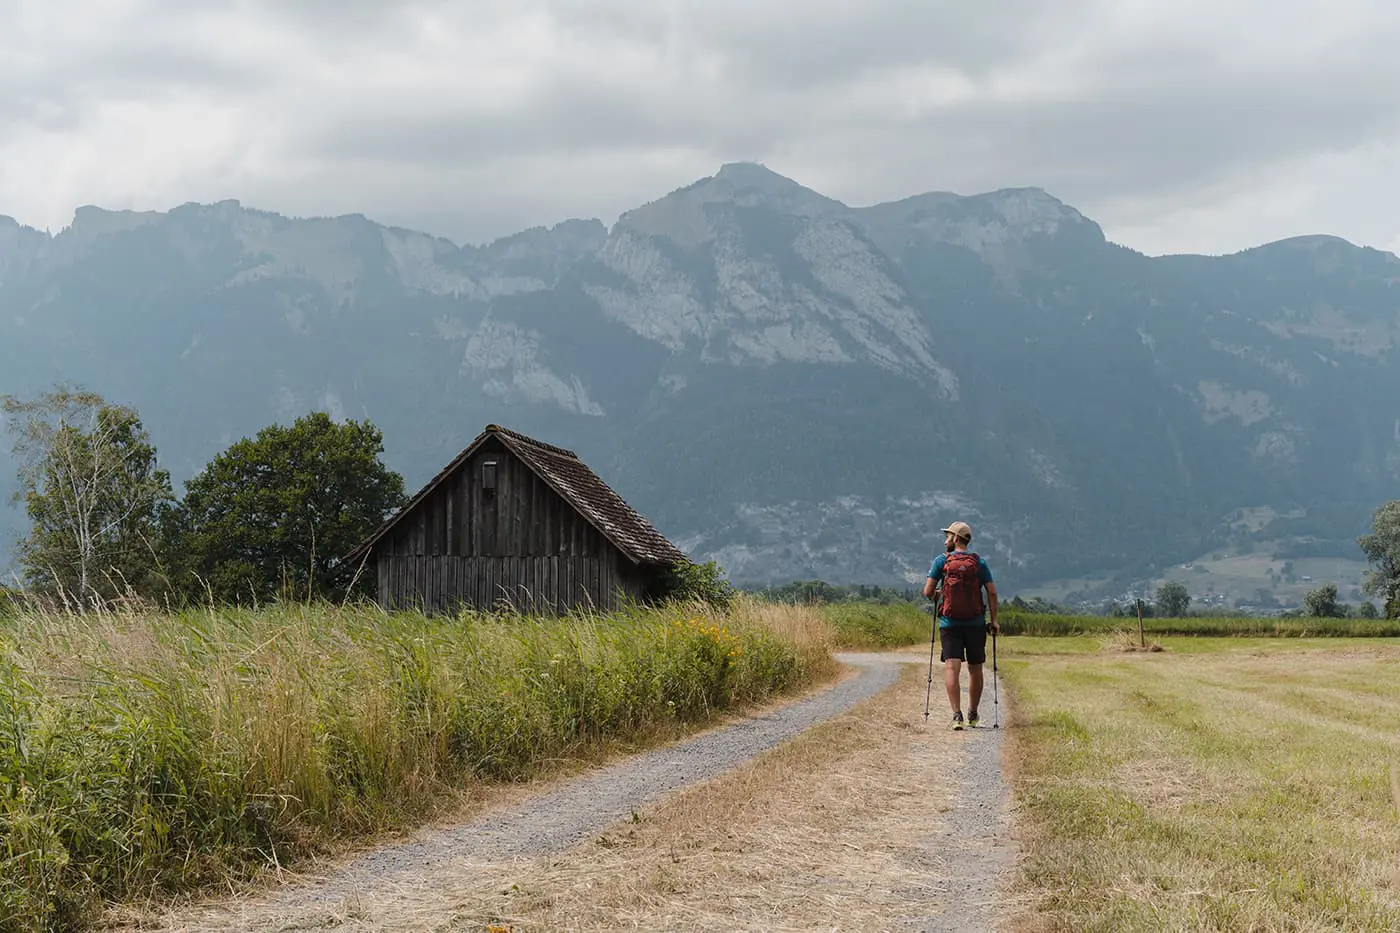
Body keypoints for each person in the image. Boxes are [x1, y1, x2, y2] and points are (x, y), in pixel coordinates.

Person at [923, 520, 999, 730]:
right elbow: (992, 592)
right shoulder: (979, 563)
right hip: (975, 623)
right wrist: (994, 620)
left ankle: (956, 715)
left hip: (950, 624)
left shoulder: (942, 561)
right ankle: (973, 713)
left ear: (955, 538)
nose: (946, 539)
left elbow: (928, 592)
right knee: (975, 669)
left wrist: (942, 594)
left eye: (948, 536)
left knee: (951, 667)